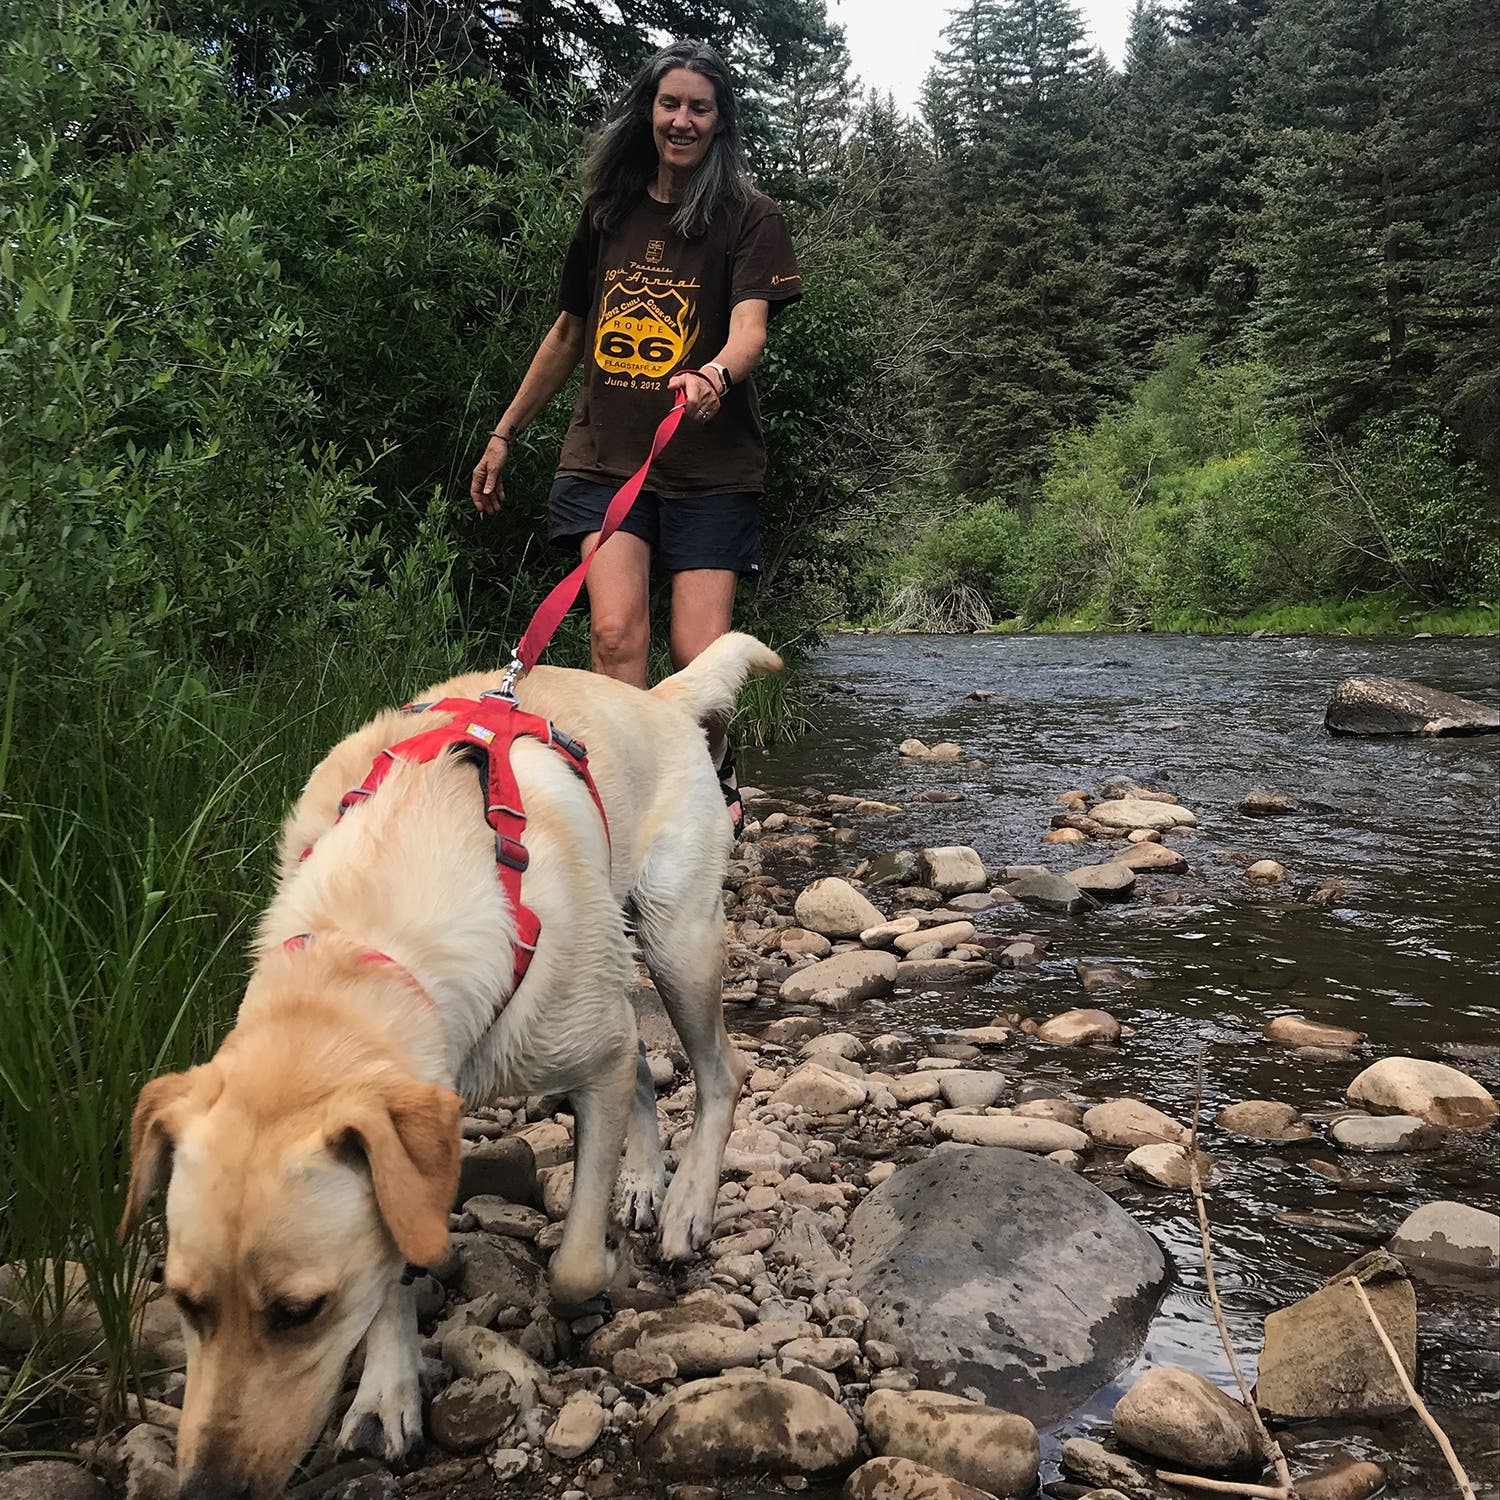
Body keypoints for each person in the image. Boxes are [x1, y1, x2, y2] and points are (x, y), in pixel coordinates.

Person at [470, 39, 801, 826]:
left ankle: (711, 782)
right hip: (603, 459)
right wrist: (505, 432)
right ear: (646, 111)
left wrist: (714, 375)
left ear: (721, 123)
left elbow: (750, 331)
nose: (681, 120)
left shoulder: (750, 218)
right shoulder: (607, 212)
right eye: (669, 104)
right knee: (616, 635)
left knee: (698, 657)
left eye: (699, 108)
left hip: (711, 468)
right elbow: (566, 335)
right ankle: (624, 804)